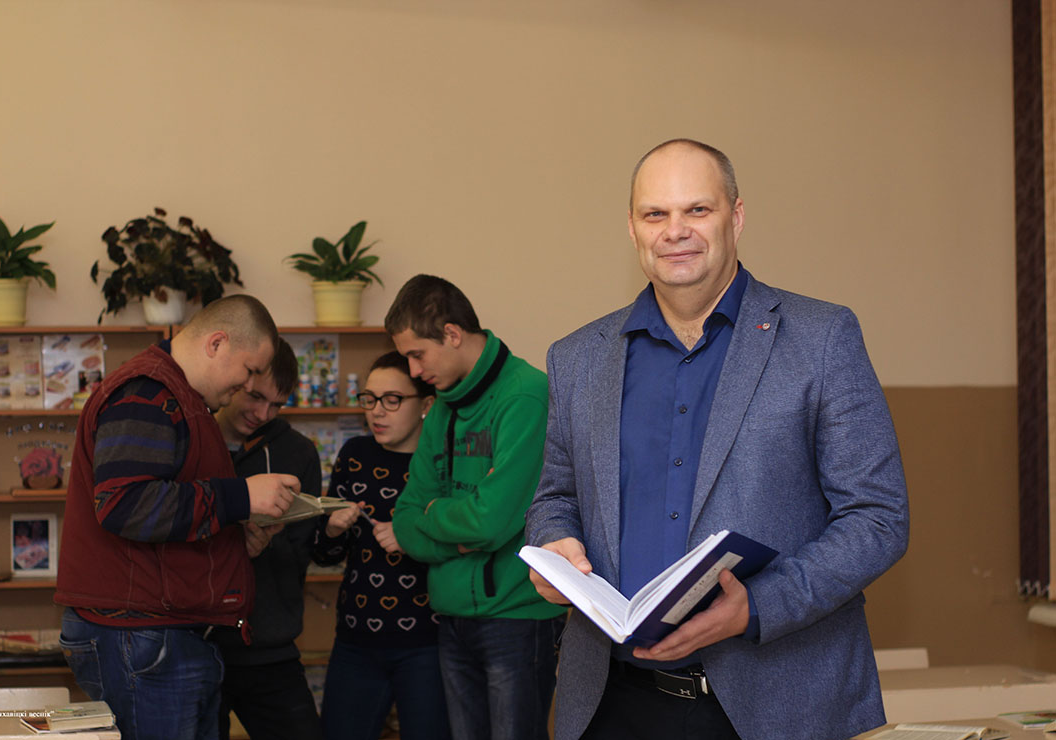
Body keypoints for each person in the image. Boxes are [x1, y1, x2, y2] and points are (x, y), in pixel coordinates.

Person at [524, 139, 910, 740]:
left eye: (697, 210)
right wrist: (554, 545)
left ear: (736, 216)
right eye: (656, 214)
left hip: (777, 704)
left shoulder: (822, 339)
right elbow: (555, 496)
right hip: (611, 704)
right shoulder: (577, 359)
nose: (675, 231)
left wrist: (757, 606)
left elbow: (878, 517)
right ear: (632, 228)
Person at [55, 295, 299, 740]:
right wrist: (241, 497)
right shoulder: (148, 392)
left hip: (160, 635)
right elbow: (125, 504)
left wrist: (233, 537)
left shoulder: (182, 398)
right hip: (142, 637)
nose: (247, 386)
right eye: (249, 370)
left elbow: (169, 506)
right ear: (217, 343)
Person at [383, 275, 567, 740]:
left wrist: (434, 516)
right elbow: (405, 519)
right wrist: (454, 534)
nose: (413, 371)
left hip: (516, 617)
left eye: (417, 354)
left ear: (451, 333)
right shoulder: (444, 405)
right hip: (451, 615)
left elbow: (489, 522)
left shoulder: (526, 394)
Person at [312, 350, 448, 740]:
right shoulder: (354, 454)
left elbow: (464, 544)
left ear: (426, 405)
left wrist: (411, 537)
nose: (377, 411)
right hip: (356, 639)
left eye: (392, 399)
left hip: (428, 641)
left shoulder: (443, 462)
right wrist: (333, 529)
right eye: (369, 399)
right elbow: (325, 555)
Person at [212, 338, 324, 740]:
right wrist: (231, 542)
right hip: (196, 646)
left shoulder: (298, 452)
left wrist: (265, 542)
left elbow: (301, 551)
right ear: (233, 379)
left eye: (277, 405)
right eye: (256, 397)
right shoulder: (192, 442)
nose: (263, 414)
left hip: (270, 646)